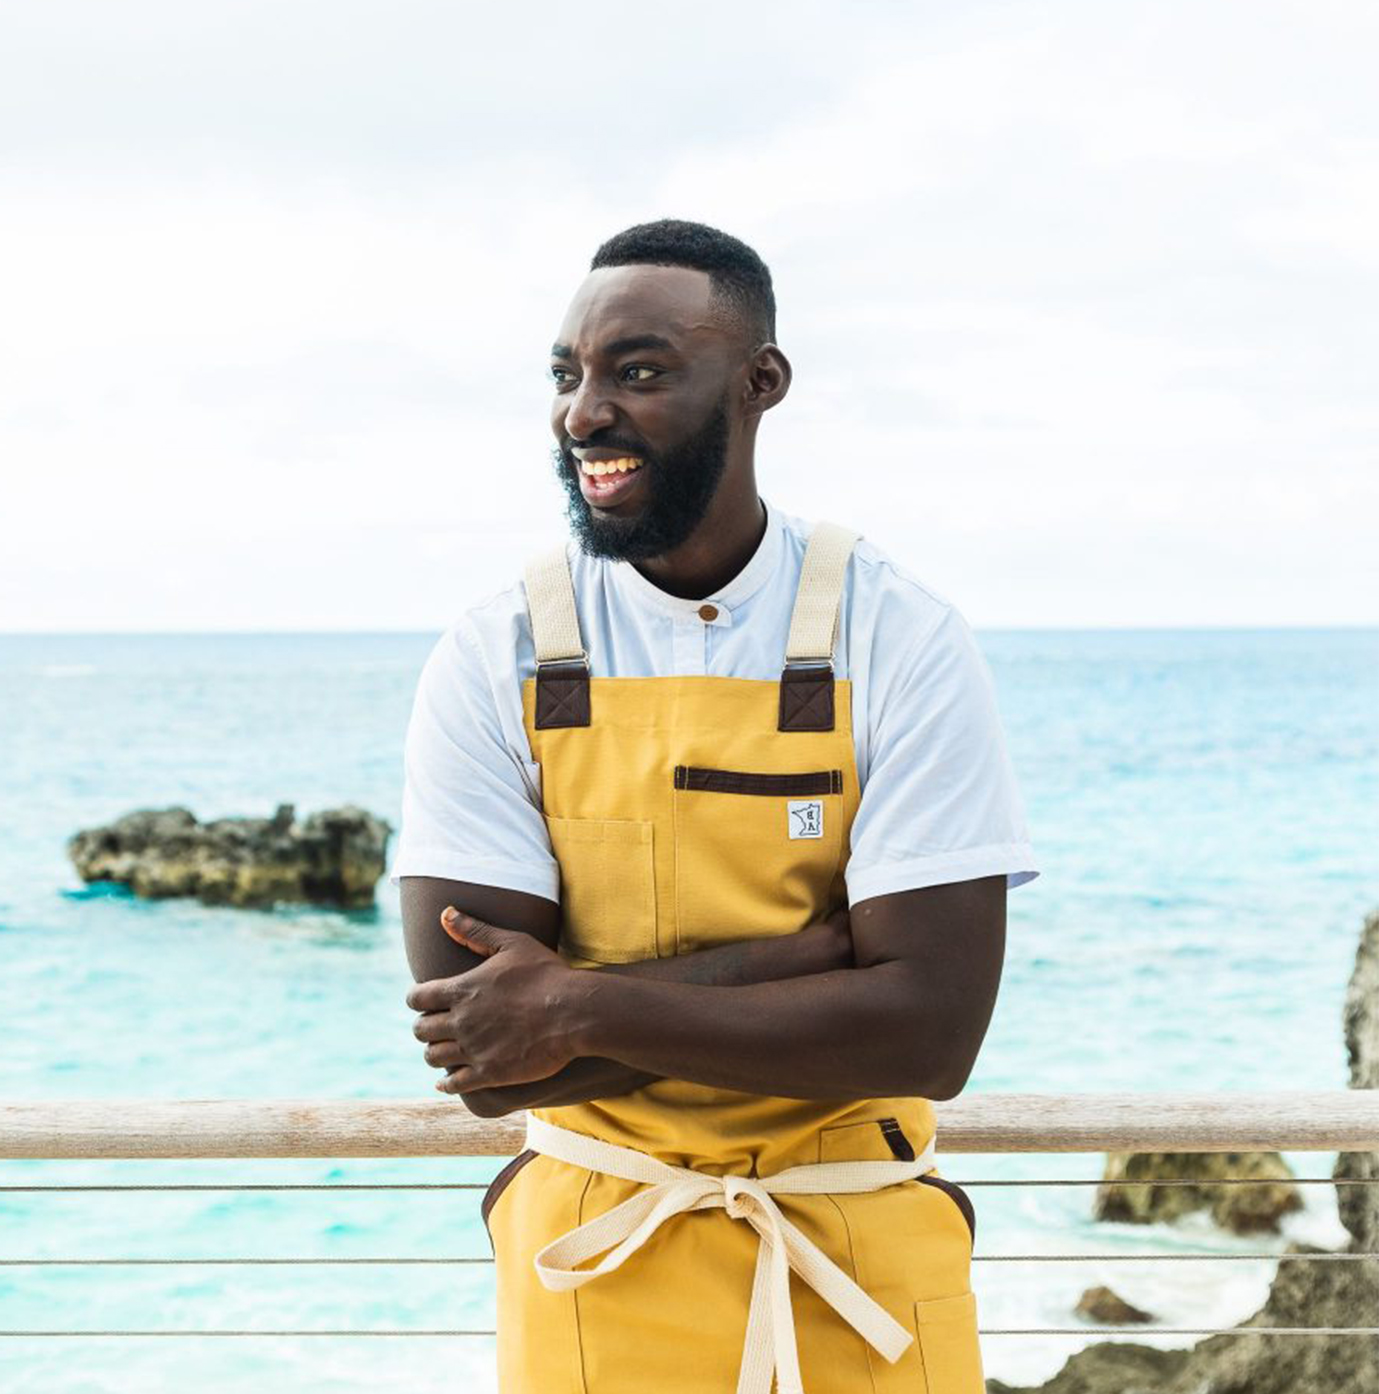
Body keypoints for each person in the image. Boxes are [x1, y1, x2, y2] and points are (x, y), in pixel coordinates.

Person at [397, 219, 1038, 1394]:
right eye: (568, 374)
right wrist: (820, 964)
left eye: (637, 371)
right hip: (594, 1259)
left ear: (759, 382)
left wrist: (575, 1003)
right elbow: (488, 1057)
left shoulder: (895, 634)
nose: (583, 410)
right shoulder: (494, 650)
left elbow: (930, 1033)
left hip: (859, 1251)